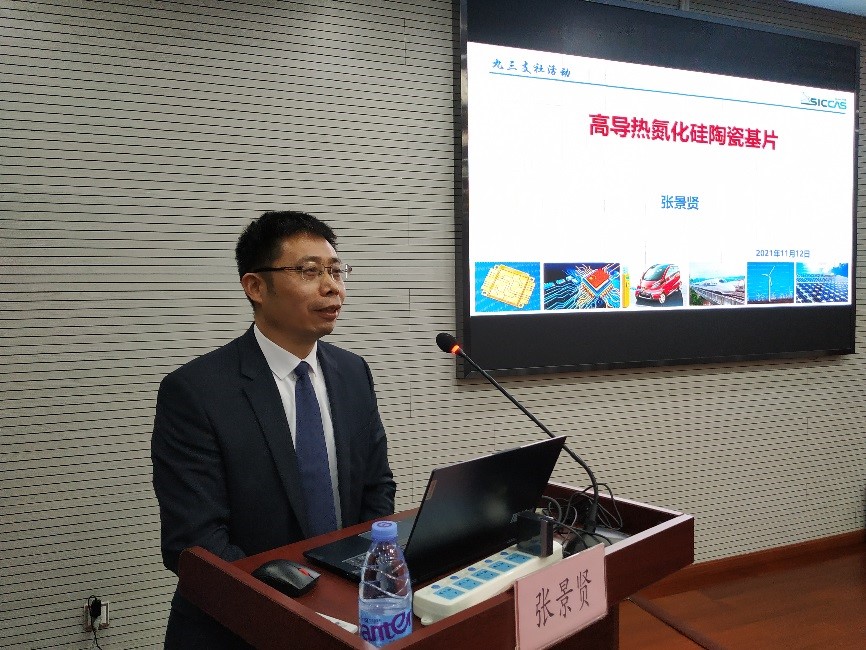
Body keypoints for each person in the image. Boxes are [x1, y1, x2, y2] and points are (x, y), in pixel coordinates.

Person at [151, 210, 396, 648]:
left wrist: (358, 579)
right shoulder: (196, 391)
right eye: (309, 271)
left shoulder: (353, 372)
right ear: (256, 287)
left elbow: (376, 487)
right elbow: (195, 543)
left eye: (336, 270)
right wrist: (292, 611)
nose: (332, 287)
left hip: (345, 618)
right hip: (239, 627)